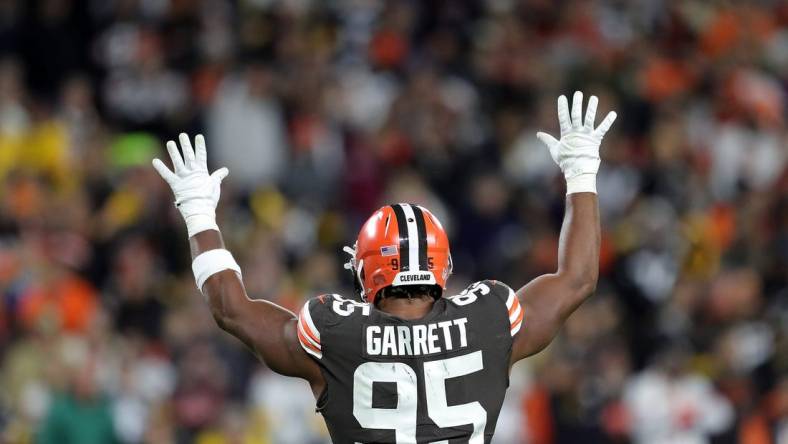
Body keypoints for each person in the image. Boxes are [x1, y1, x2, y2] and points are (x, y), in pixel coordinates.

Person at [152, 91, 616, 443]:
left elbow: (231, 308)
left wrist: (198, 212)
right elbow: (578, 278)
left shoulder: (334, 333)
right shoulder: (488, 318)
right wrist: (580, 172)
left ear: (366, 269)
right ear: (441, 266)